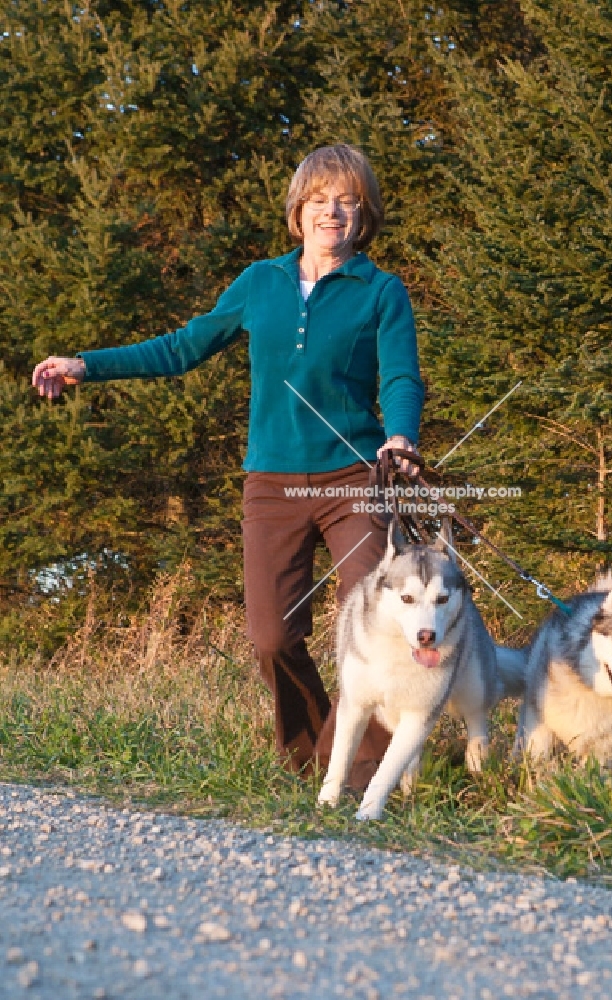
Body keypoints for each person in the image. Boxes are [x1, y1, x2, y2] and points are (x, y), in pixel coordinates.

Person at [32, 144, 424, 786]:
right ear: (298, 212)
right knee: (272, 638)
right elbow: (182, 348)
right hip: (271, 482)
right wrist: (87, 363)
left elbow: (403, 376)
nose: (333, 211)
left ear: (364, 214)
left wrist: (400, 436)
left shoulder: (381, 291)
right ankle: (308, 763)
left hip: (355, 477)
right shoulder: (259, 283)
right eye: (321, 199)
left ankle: (358, 773)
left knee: (378, 624)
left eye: (348, 200)